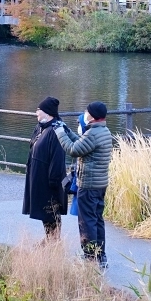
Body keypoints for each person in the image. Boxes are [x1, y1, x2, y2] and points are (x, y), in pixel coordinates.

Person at [56, 101, 112, 266]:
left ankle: (90, 257)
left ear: (92, 116)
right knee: (96, 220)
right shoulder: (103, 131)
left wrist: (60, 132)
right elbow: (81, 143)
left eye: (86, 112)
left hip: (88, 185)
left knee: (86, 222)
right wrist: (67, 131)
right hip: (100, 185)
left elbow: (73, 149)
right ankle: (100, 255)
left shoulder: (93, 134)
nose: (84, 115)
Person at [22, 97, 69, 240]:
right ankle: (49, 239)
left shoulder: (56, 130)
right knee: (43, 210)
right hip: (38, 176)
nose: (36, 112)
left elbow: (58, 157)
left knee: (51, 210)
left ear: (47, 112)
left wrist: (54, 180)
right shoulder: (40, 127)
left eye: (39, 109)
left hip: (50, 178)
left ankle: (54, 241)